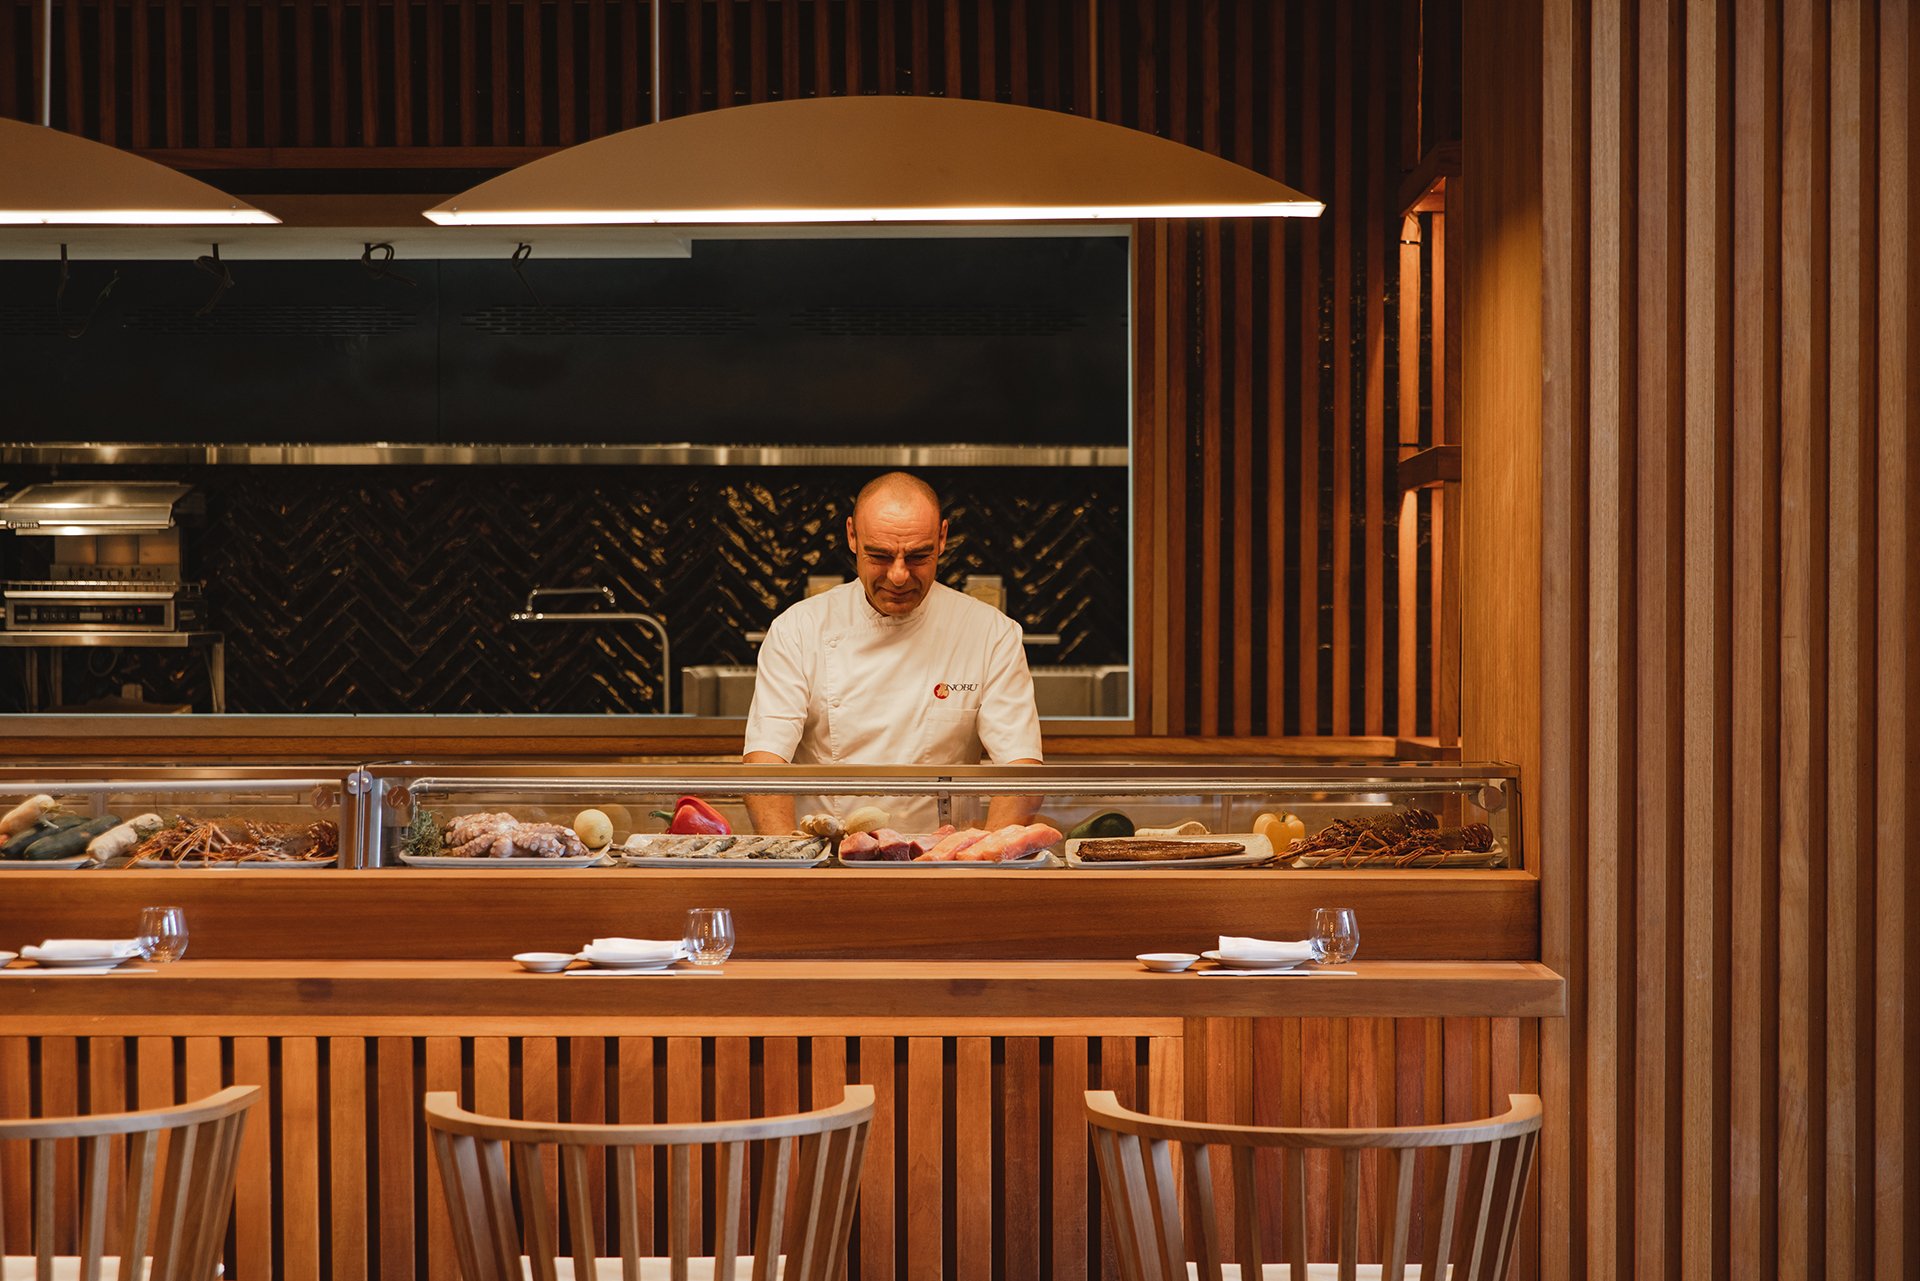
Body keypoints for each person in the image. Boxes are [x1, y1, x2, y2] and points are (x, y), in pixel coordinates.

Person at [742, 471, 1043, 833]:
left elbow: (1020, 773)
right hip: (829, 860)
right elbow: (765, 765)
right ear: (852, 536)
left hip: (944, 862)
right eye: (880, 555)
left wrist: (987, 863)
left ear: (943, 538)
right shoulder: (798, 630)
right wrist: (788, 866)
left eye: (917, 556)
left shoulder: (990, 634)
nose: (898, 576)